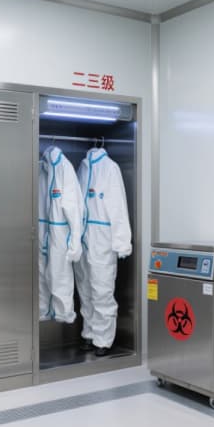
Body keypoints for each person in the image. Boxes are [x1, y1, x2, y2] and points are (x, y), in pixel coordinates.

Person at [74, 147, 132, 355]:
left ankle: (103, 339)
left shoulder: (109, 168)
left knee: (102, 290)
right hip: (84, 237)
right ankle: (89, 333)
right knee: (85, 289)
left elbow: (118, 207)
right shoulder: (83, 167)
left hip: (102, 239)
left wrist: (122, 242)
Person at [38, 146, 84, 323]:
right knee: (41, 272)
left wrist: (74, 242)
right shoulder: (40, 167)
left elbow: (73, 208)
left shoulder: (64, 167)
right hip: (42, 228)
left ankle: (63, 313)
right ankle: (43, 310)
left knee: (60, 274)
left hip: (59, 230)